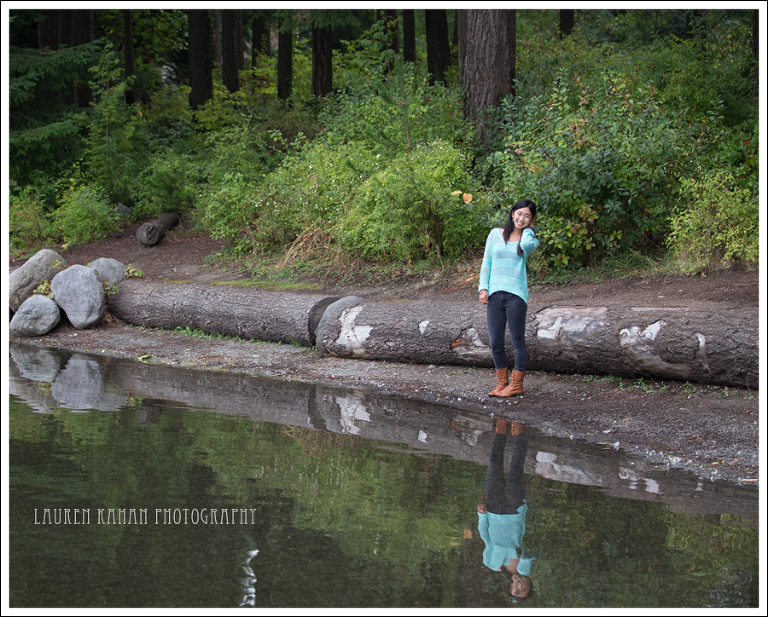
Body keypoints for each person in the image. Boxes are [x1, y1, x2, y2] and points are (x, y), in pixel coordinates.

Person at [478, 199, 539, 398]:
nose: (521, 218)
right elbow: (487, 261)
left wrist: (528, 230)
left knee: (517, 341)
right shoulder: (495, 234)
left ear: (531, 220)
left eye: (527, 216)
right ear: (512, 213)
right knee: (495, 341)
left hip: (516, 295)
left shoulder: (528, 240)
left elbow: (528, 245)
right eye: (519, 213)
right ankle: (502, 383)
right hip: (495, 293)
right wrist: (483, 288)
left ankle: (516, 385)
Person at [477, 418, 535, 601]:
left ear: (510, 587)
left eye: (516, 589)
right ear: (529, 584)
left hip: (493, 510)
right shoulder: (525, 568)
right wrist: (520, 571)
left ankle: (501, 425)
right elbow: (527, 556)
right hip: (514, 509)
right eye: (524, 588)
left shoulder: (492, 563)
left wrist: (481, 515)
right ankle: (518, 428)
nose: (519, 585)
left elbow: (485, 537)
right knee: (516, 466)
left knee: (494, 463)